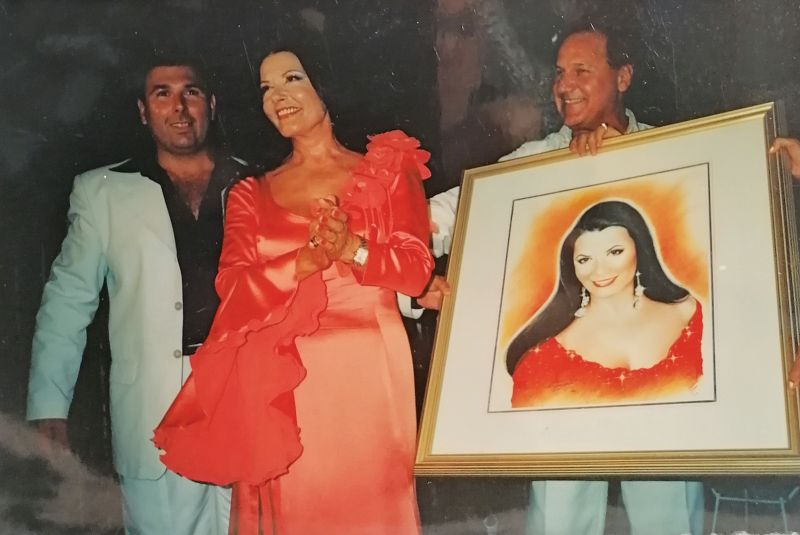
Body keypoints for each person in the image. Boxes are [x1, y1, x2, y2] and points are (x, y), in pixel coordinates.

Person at [423, 22, 704, 535]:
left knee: (667, 516)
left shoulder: (676, 153)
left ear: (623, 77)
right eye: (558, 73)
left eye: (581, 70)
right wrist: (394, 246)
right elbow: (454, 211)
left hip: (659, 374)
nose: (564, 85)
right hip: (569, 377)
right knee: (560, 516)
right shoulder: (536, 162)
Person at [153, 48, 433, 535]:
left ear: (325, 84)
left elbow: (416, 272)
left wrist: (351, 249)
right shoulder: (251, 192)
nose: (278, 97)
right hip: (283, 385)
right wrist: (302, 261)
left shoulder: (389, 168)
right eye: (266, 88)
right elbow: (232, 286)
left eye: (292, 79)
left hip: (368, 375)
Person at [26, 53, 246, 534]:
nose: (179, 108)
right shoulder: (103, 191)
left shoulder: (255, 182)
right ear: (144, 112)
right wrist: (48, 405)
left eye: (190, 92)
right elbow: (67, 303)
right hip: (155, 409)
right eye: (162, 94)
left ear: (211, 104)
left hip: (246, 398)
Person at [507, 200, 702, 408]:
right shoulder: (543, 362)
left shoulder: (689, 313)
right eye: (584, 260)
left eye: (615, 252)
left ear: (640, 249)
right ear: (572, 266)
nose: (599, 271)